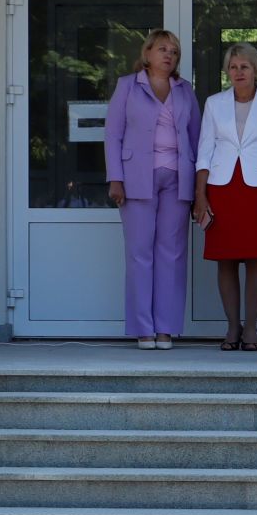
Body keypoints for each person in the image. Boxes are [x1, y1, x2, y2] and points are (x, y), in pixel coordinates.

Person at [105, 29, 200, 349]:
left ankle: (166, 328)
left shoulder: (185, 90)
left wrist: (200, 186)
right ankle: (144, 328)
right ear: (147, 54)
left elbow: (197, 137)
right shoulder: (127, 86)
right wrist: (115, 178)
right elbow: (113, 135)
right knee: (139, 254)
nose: (168, 55)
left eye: (174, 51)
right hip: (136, 178)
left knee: (172, 255)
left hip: (178, 177)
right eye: (162, 49)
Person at [194, 42, 257, 351]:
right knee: (225, 260)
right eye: (233, 67)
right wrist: (200, 195)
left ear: (255, 70)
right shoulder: (213, 103)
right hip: (221, 188)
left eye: (244, 67)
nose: (238, 72)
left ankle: (251, 327)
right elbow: (204, 151)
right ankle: (232, 327)